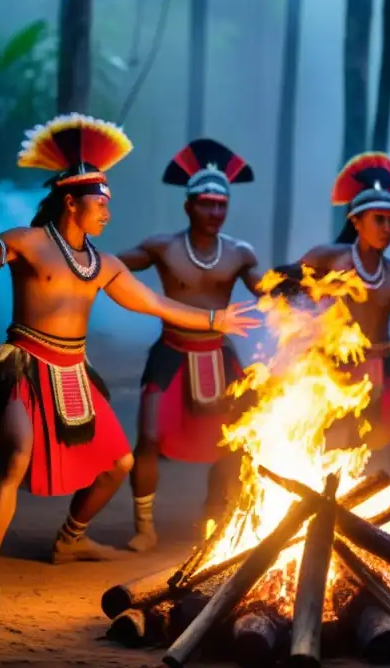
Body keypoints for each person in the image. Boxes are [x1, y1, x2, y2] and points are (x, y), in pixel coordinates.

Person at [0, 114, 259, 603]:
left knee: (119, 462)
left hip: (75, 373)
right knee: (16, 458)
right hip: (23, 366)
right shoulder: (27, 243)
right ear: (71, 202)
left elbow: (156, 304)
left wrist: (215, 320)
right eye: (101, 203)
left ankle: (71, 540)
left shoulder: (102, 264)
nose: (108, 213)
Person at [279, 152, 390, 529]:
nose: (387, 227)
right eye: (379, 219)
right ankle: (324, 524)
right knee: (336, 448)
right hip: (334, 371)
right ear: (356, 221)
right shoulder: (326, 258)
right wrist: (301, 327)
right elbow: (280, 286)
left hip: (384, 368)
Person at [117, 139, 264, 553]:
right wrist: (73, 251)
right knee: (147, 437)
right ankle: (144, 526)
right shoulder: (162, 247)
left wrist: (299, 285)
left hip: (220, 355)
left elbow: (266, 290)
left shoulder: (239, 252)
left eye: (221, 204)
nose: (215, 212)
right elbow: (112, 266)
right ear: (188, 206)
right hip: (171, 353)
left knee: (234, 440)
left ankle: (214, 511)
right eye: (206, 204)